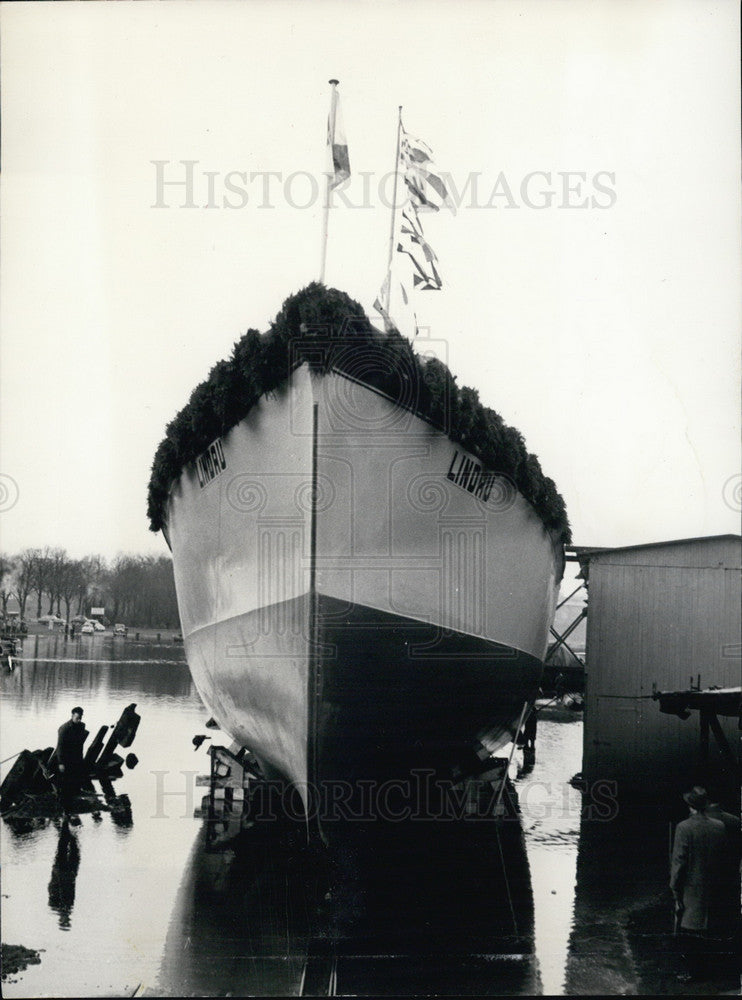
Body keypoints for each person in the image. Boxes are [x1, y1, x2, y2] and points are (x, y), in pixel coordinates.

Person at [670, 785, 727, 981]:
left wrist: (674, 888)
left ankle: (690, 972)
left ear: (690, 806)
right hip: (712, 885)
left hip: (690, 887)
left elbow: (679, 862)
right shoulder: (719, 827)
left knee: (688, 929)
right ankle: (706, 969)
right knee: (707, 926)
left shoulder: (683, 828)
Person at [55, 707, 88, 809]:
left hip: (76, 758)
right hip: (66, 758)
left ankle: (72, 802)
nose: (79, 720)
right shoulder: (64, 729)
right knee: (65, 782)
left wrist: (80, 759)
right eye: (77, 718)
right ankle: (64, 805)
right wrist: (61, 763)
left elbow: (80, 745)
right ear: (72, 716)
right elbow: (60, 747)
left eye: (80, 718)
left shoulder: (81, 726)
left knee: (75, 780)